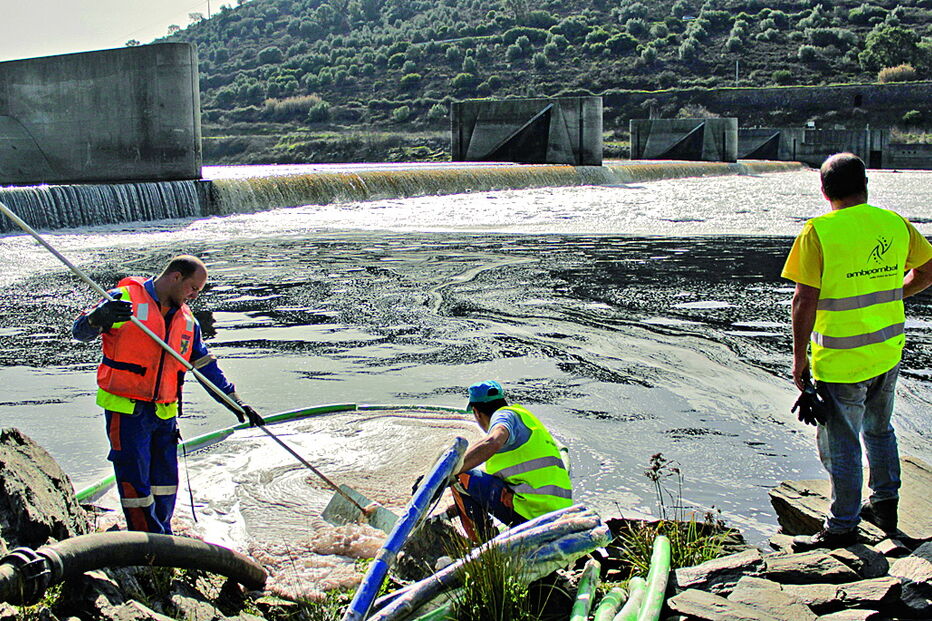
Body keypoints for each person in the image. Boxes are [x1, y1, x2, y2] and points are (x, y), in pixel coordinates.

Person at [781, 153, 932, 551]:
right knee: (880, 430)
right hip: (887, 351)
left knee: (842, 444)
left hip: (841, 361)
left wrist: (799, 363)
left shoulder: (818, 232)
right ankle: (885, 506)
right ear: (865, 184)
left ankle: (843, 525)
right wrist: (889, 294)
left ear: (824, 190)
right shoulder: (893, 223)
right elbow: (928, 272)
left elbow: (803, 301)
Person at [73, 255, 264, 535]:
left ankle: (162, 534)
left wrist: (236, 402)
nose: (195, 296)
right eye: (193, 288)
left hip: (164, 413)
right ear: (175, 277)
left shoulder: (188, 321)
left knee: (165, 482)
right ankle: (145, 545)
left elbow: (204, 366)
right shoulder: (121, 300)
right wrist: (97, 318)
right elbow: (80, 332)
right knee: (134, 480)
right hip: (126, 411)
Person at [446, 380, 572, 542]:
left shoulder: (503, 416)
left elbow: (493, 441)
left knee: (461, 476)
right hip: (560, 513)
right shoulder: (524, 417)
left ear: (476, 412)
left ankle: (483, 548)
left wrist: (451, 470)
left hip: (533, 516)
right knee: (473, 476)